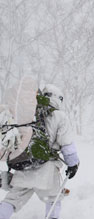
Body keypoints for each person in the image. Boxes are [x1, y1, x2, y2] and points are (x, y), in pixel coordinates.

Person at [0, 84, 79, 219]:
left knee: (11, 200)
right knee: (53, 199)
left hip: (23, 164)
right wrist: (73, 163)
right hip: (46, 170)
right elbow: (66, 143)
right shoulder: (59, 116)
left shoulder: (28, 114)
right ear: (58, 99)